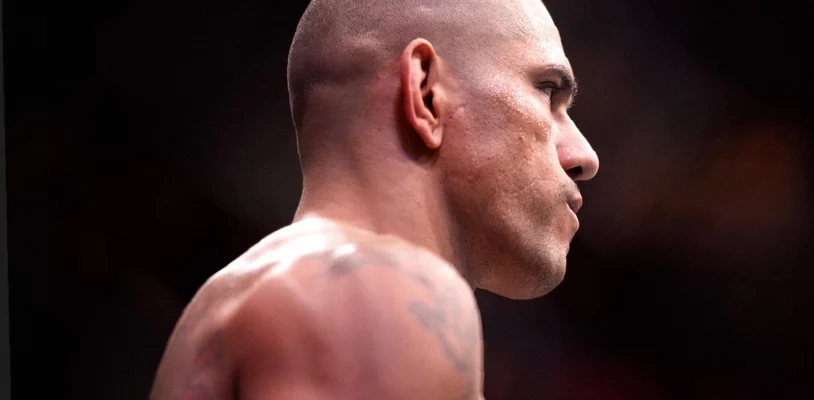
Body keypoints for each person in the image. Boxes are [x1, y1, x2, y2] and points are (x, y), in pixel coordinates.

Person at [149, 0, 599, 398]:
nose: (585, 156)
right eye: (547, 91)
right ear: (426, 92)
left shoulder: (236, 298)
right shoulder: (379, 288)